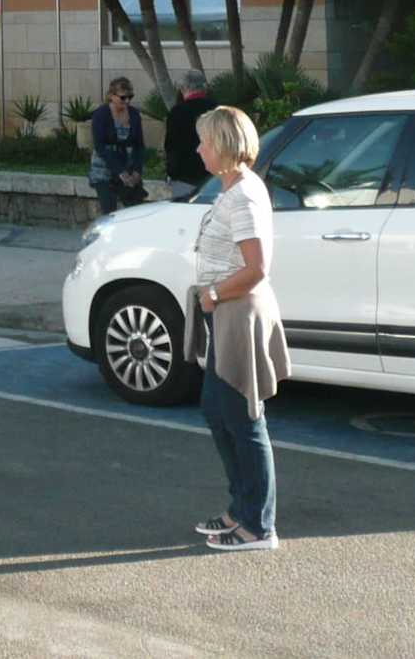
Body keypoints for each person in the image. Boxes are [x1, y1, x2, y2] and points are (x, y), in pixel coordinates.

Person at [189, 105, 288, 552]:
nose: (199, 150)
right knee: (217, 410)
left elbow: (256, 268)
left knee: (243, 418)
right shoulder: (232, 189)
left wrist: (212, 294)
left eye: (204, 142)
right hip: (225, 311)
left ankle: (258, 527)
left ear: (223, 145)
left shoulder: (244, 194)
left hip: (237, 313)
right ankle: (241, 509)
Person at [88, 78, 147, 215]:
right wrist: (120, 171)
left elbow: (139, 145)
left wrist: (137, 171)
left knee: (136, 209)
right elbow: (100, 146)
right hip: (104, 167)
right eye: (123, 97)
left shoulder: (134, 114)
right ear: (111, 96)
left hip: (127, 164)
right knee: (109, 212)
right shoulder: (100, 114)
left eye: (130, 97)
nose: (127, 101)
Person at [162, 70, 211, 193]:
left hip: (185, 176)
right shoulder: (217, 109)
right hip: (212, 176)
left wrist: (171, 172)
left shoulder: (177, 112)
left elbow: (171, 146)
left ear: (183, 88)